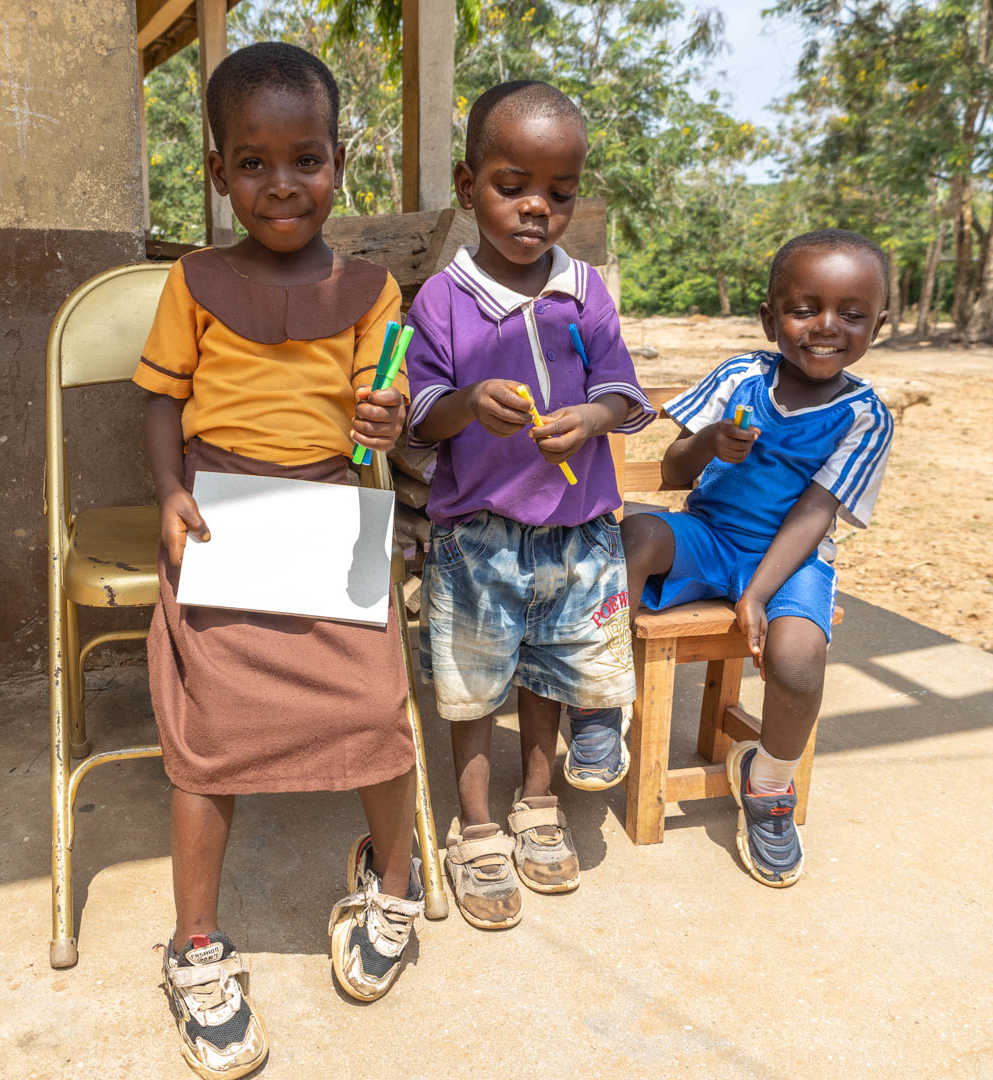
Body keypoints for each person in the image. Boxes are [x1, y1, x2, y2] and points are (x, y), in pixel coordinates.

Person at [133, 42, 422, 1079]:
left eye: (305, 158)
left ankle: (395, 880)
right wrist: (170, 495)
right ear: (216, 172)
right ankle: (196, 943)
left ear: (339, 161)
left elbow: (377, 410)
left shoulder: (370, 287)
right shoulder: (195, 280)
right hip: (219, 511)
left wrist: (383, 420)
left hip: (330, 507)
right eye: (251, 163)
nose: (280, 184)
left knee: (375, 708)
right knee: (209, 731)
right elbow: (161, 399)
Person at [405, 81, 654, 929]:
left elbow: (624, 390)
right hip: (477, 536)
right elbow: (421, 414)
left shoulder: (586, 291)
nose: (537, 208)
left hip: (579, 533)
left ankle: (536, 800)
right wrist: (470, 400)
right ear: (467, 182)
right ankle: (477, 825)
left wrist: (594, 416)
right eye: (513, 185)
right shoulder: (442, 298)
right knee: (473, 684)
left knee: (550, 668)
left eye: (560, 191)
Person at [621, 228, 893, 889]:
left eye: (852, 314)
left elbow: (813, 515)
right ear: (771, 318)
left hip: (791, 560)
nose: (827, 327)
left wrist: (757, 595)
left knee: (799, 660)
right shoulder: (741, 376)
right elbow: (675, 473)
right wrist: (709, 441)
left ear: (877, 325)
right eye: (805, 309)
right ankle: (604, 695)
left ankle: (769, 785)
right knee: (635, 537)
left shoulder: (866, 418)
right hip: (709, 534)